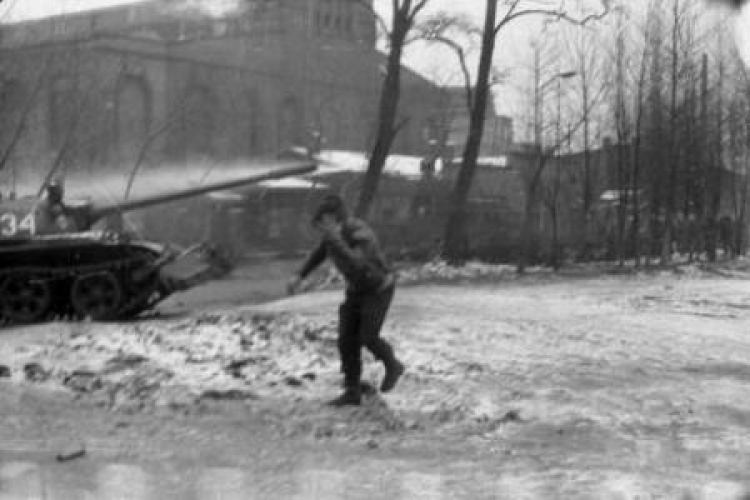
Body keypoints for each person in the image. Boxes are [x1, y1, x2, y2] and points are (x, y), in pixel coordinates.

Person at [288, 194, 405, 407]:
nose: (321, 229)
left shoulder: (359, 232)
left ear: (333, 218)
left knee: (368, 336)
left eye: (323, 222)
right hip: (355, 290)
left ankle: (392, 364)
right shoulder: (332, 237)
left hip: (377, 289)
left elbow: (358, 261)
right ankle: (352, 390)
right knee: (346, 339)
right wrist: (300, 275)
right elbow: (318, 255)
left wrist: (336, 239)